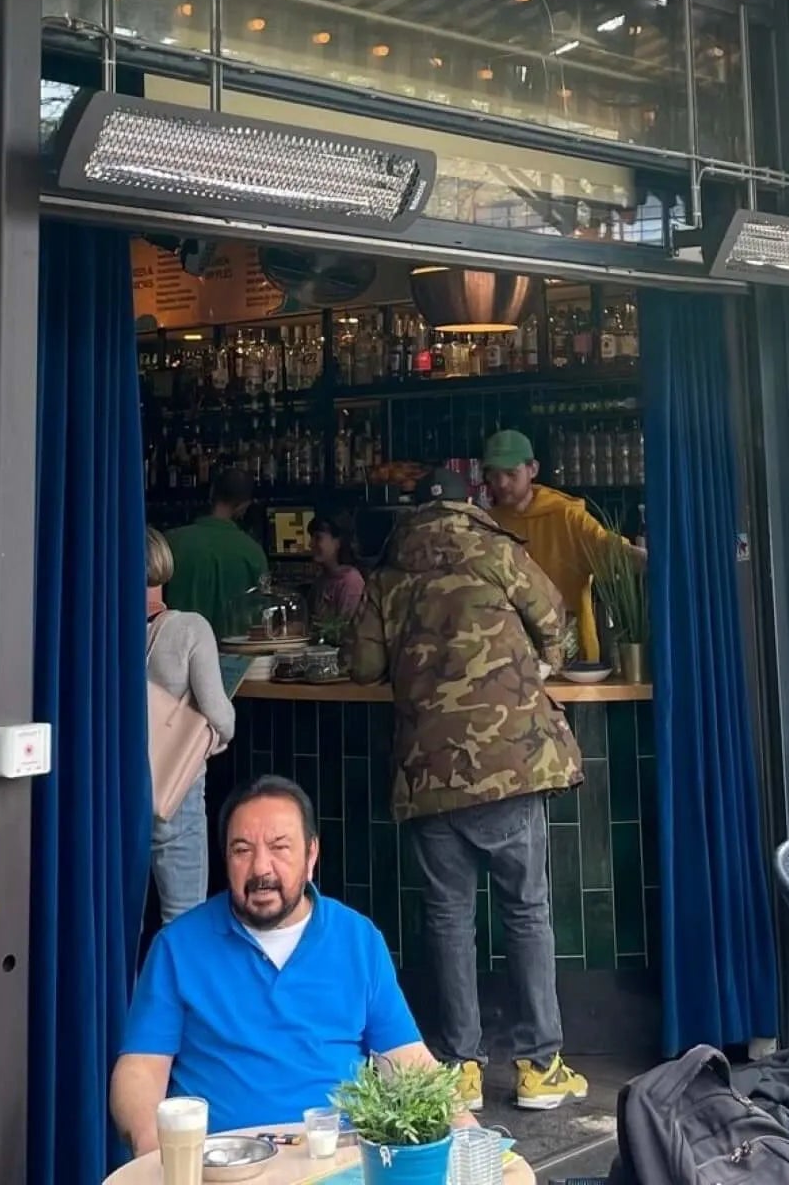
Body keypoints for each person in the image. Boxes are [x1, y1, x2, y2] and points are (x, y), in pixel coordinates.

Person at [349, 468, 588, 1115]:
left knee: (448, 919)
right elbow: (552, 617)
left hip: (430, 766)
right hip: (512, 759)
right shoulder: (499, 550)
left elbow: (363, 664)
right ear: (472, 502)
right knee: (526, 913)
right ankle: (540, 1067)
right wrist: (542, 665)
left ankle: (460, 1068)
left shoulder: (388, 574)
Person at [111, 775, 442, 1148]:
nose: (261, 869)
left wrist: (471, 1139)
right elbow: (140, 1069)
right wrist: (153, 1147)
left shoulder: (357, 939)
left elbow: (408, 1062)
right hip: (219, 1164)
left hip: (332, 1160)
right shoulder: (178, 946)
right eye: (242, 850)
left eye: (280, 847)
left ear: (311, 855)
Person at [480, 429, 641, 662]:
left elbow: (613, 551)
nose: (501, 483)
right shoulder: (486, 524)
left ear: (532, 469)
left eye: (510, 473)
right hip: (509, 658)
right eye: (494, 476)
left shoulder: (566, 517)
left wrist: (656, 561)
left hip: (572, 658)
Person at [145, 524, 236, 919]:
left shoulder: (102, 631)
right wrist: (214, 736)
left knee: (120, 919)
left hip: (116, 790)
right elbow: (219, 714)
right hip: (174, 790)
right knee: (182, 916)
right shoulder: (189, 629)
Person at [166, 469, 269, 635]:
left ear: (212, 493)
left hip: (176, 653)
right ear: (244, 505)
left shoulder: (171, 542)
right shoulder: (254, 553)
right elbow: (261, 619)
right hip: (237, 657)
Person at [309, 514, 365, 625]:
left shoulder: (351, 582)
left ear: (338, 542)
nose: (310, 544)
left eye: (318, 538)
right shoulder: (321, 580)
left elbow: (344, 631)